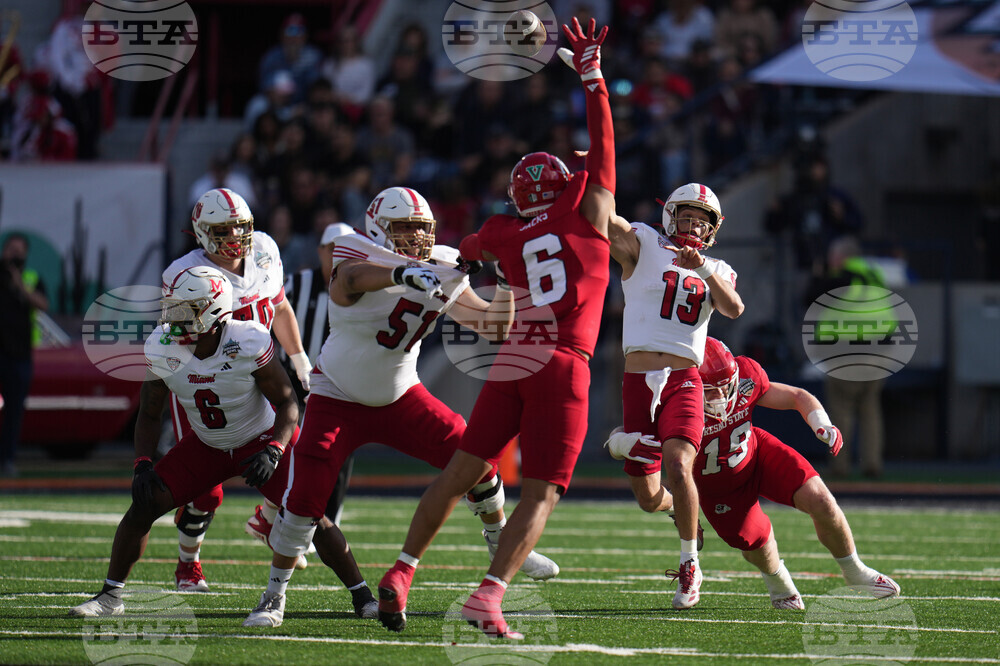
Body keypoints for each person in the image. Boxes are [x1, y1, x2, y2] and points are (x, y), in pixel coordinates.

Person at [377, 17, 617, 640]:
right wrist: (593, 80)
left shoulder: (505, 231)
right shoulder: (587, 209)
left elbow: (468, 245)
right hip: (564, 361)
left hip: (515, 357)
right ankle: (489, 595)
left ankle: (403, 571)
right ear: (568, 185)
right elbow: (604, 147)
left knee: (460, 472)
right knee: (540, 493)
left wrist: (473, 254)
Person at [242, 186, 558, 629]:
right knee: (303, 503)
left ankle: (501, 542)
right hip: (337, 395)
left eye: (421, 229)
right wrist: (405, 276)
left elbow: (493, 327)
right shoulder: (354, 247)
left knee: (477, 459)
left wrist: (505, 280)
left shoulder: (442, 264)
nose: (416, 238)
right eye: (404, 229)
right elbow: (352, 278)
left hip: (400, 394)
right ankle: (273, 596)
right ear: (379, 230)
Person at [68, 267, 376, 618]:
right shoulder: (162, 346)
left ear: (213, 311)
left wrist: (274, 449)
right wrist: (142, 463)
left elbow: (289, 402)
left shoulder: (247, 341)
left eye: (187, 308)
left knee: (308, 514)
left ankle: (363, 597)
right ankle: (110, 597)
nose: (175, 317)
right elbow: (150, 414)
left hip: (258, 439)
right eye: (175, 307)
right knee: (144, 503)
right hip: (206, 445)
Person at [610, 337, 900, 608]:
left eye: (726, 386)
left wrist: (822, 423)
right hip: (716, 488)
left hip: (757, 453)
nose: (722, 396)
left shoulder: (746, 375)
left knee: (822, 500)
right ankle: (778, 581)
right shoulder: (672, 398)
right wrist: (620, 443)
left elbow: (797, 395)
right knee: (757, 546)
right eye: (711, 390)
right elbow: (621, 435)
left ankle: (855, 571)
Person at [162, 188, 313, 592]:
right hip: (209, 382)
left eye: (240, 227)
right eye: (222, 229)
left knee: (293, 458)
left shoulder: (265, 248)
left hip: (260, 375)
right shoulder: (181, 274)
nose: (235, 237)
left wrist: (297, 358)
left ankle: (267, 517)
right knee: (205, 491)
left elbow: (278, 305)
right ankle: (187, 564)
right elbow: (176, 336)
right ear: (201, 232)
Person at [604, 182, 744, 610]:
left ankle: (690, 564)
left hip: (684, 378)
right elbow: (604, 221)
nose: (694, 228)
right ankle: (671, 502)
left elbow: (734, 308)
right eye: (688, 218)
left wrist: (702, 269)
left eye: (703, 223)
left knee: (679, 464)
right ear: (670, 216)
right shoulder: (645, 242)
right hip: (637, 379)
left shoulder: (718, 266)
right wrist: (598, 170)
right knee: (648, 498)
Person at [246, 222, 355, 540]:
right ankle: (275, 516)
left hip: (340, 381)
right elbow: (271, 311)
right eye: (333, 248)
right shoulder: (296, 283)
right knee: (295, 448)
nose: (339, 256)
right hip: (292, 378)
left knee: (336, 451)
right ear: (320, 251)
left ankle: (316, 525)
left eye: (346, 249)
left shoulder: (362, 289)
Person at [805, 236, 889, 478]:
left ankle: (840, 466)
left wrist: (817, 273)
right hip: (878, 354)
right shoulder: (875, 276)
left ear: (842, 257)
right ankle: (872, 464)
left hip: (845, 354)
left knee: (841, 410)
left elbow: (808, 298)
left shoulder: (840, 278)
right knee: (871, 411)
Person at [0, 233, 48, 478]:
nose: (14, 254)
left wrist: (20, 285)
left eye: (19, 250)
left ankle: (7, 459)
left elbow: (43, 304)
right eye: (11, 248)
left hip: (19, 356)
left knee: (14, 411)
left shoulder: (31, 279)